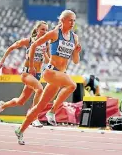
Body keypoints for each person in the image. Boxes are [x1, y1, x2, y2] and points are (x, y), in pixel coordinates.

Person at [14, 10, 81, 145]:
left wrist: (77, 52)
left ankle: (20, 130)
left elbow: (75, 61)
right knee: (72, 85)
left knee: (39, 107)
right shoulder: (55, 33)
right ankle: (52, 111)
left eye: (74, 20)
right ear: (62, 21)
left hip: (60, 74)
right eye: (70, 20)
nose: (72, 23)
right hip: (50, 72)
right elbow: (33, 45)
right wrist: (32, 65)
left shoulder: (75, 37)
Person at [0, 21, 50, 127]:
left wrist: (45, 54)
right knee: (40, 89)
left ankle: (3, 105)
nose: (44, 32)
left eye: (46, 30)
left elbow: (47, 61)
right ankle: (34, 117)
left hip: (37, 75)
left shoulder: (46, 43)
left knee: (21, 101)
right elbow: (11, 47)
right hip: (27, 73)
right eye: (42, 29)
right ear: (37, 30)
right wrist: (2, 61)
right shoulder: (28, 41)